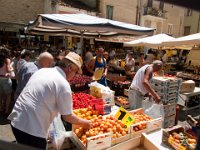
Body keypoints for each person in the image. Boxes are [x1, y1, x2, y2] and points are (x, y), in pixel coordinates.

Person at [8, 52, 91, 149]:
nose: (75, 75)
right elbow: (68, 117)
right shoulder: (63, 84)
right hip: (31, 129)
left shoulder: (42, 71)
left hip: (16, 120)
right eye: (76, 72)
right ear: (70, 68)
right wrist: (87, 123)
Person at [0, 48, 14, 115]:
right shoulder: (7, 60)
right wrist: (12, 68)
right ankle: (6, 110)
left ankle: (1, 108)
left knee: (0, 95)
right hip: (5, 79)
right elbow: (8, 70)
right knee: (8, 95)